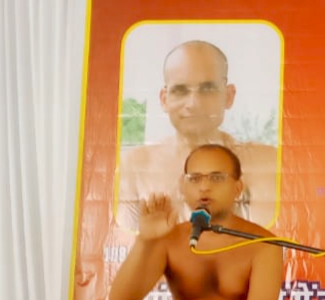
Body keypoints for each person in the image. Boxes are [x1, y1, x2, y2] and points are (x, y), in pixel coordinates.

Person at [72, 144, 302, 300]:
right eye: (195, 178)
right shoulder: (169, 237)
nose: (204, 187)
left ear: (237, 188)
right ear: (183, 187)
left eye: (216, 178)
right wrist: (146, 240)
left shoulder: (262, 244)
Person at [116, 40, 278, 231]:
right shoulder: (135, 166)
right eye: (180, 91)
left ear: (228, 96)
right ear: (164, 99)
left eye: (207, 89)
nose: (193, 103)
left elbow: (268, 237)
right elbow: (124, 238)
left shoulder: (264, 163)